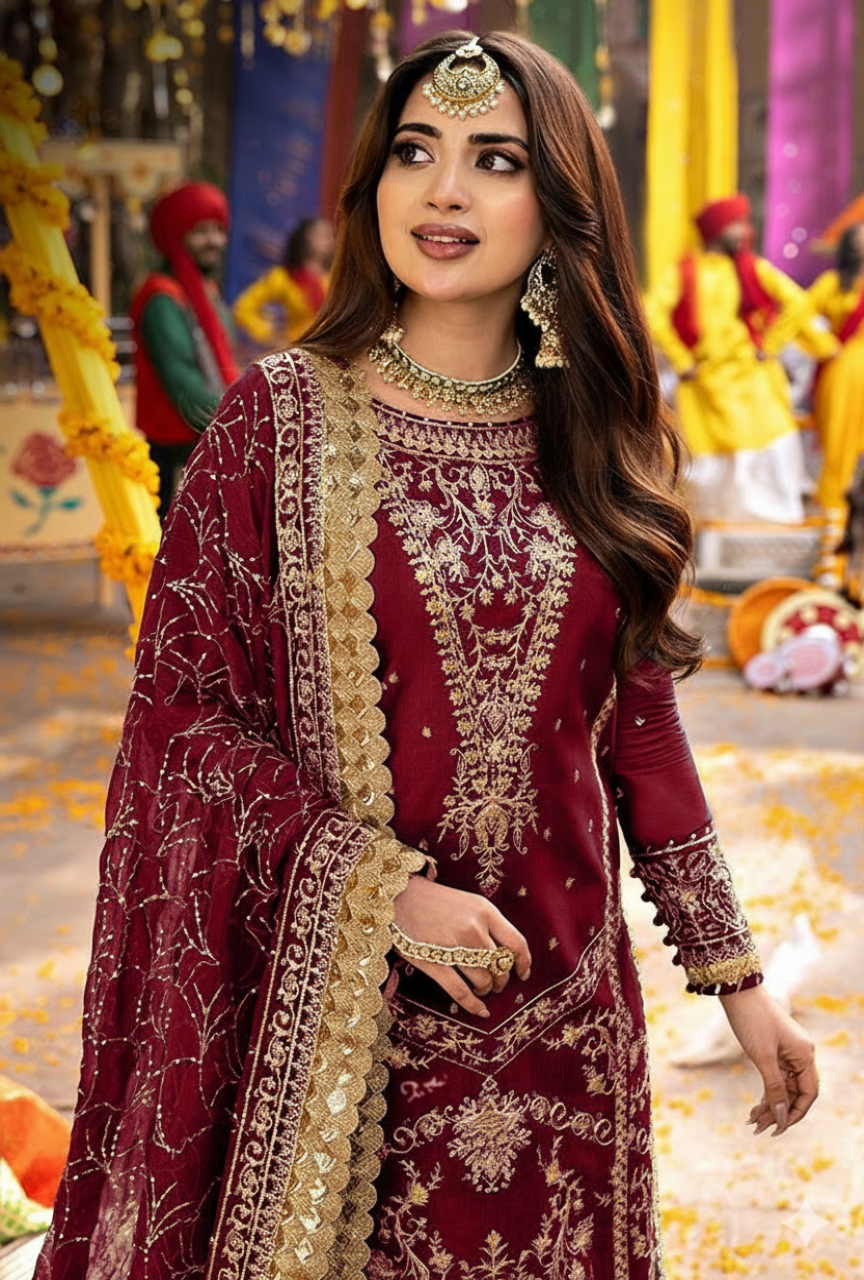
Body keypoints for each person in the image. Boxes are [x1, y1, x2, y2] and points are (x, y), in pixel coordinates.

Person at [38, 33, 818, 1280]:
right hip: (343, 1037)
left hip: (567, 1028)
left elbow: (638, 726)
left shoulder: (603, 434)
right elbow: (181, 717)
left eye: (494, 159)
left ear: (558, 203)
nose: (443, 190)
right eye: (415, 151)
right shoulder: (275, 422)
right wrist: (375, 888)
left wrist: (739, 978)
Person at [645, 194, 837, 524]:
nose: (745, 231)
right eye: (736, 224)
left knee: (773, 442)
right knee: (709, 459)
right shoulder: (685, 272)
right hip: (706, 382)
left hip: (752, 376)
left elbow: (798, 303)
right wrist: (681, 359)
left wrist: (771, 343)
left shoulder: (753, 268)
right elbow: (652, 315)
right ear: (716, 229)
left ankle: (769, 526)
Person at [129, 181, 238, 518]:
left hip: (206, 443)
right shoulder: (162, 298)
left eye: (218, 230)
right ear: (176, 235)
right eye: (201, 232)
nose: (214, 240)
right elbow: (183, 385)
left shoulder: (206, 290)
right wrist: (243, 419)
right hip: (176, 453)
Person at [807, 225, 864, 585]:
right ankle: (831, 558)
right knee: (840, 458)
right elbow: (798, 314)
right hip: (845, 375)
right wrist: (826, 346)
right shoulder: (832, 284)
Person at [232, 215, 335, 348]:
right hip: (298, 350)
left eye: (329, 235)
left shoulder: (334, 279)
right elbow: (243, 308)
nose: (329, 240)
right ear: (305, 239)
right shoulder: (285, 277)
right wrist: (266, 335)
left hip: (329, 351)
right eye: (321, 235)